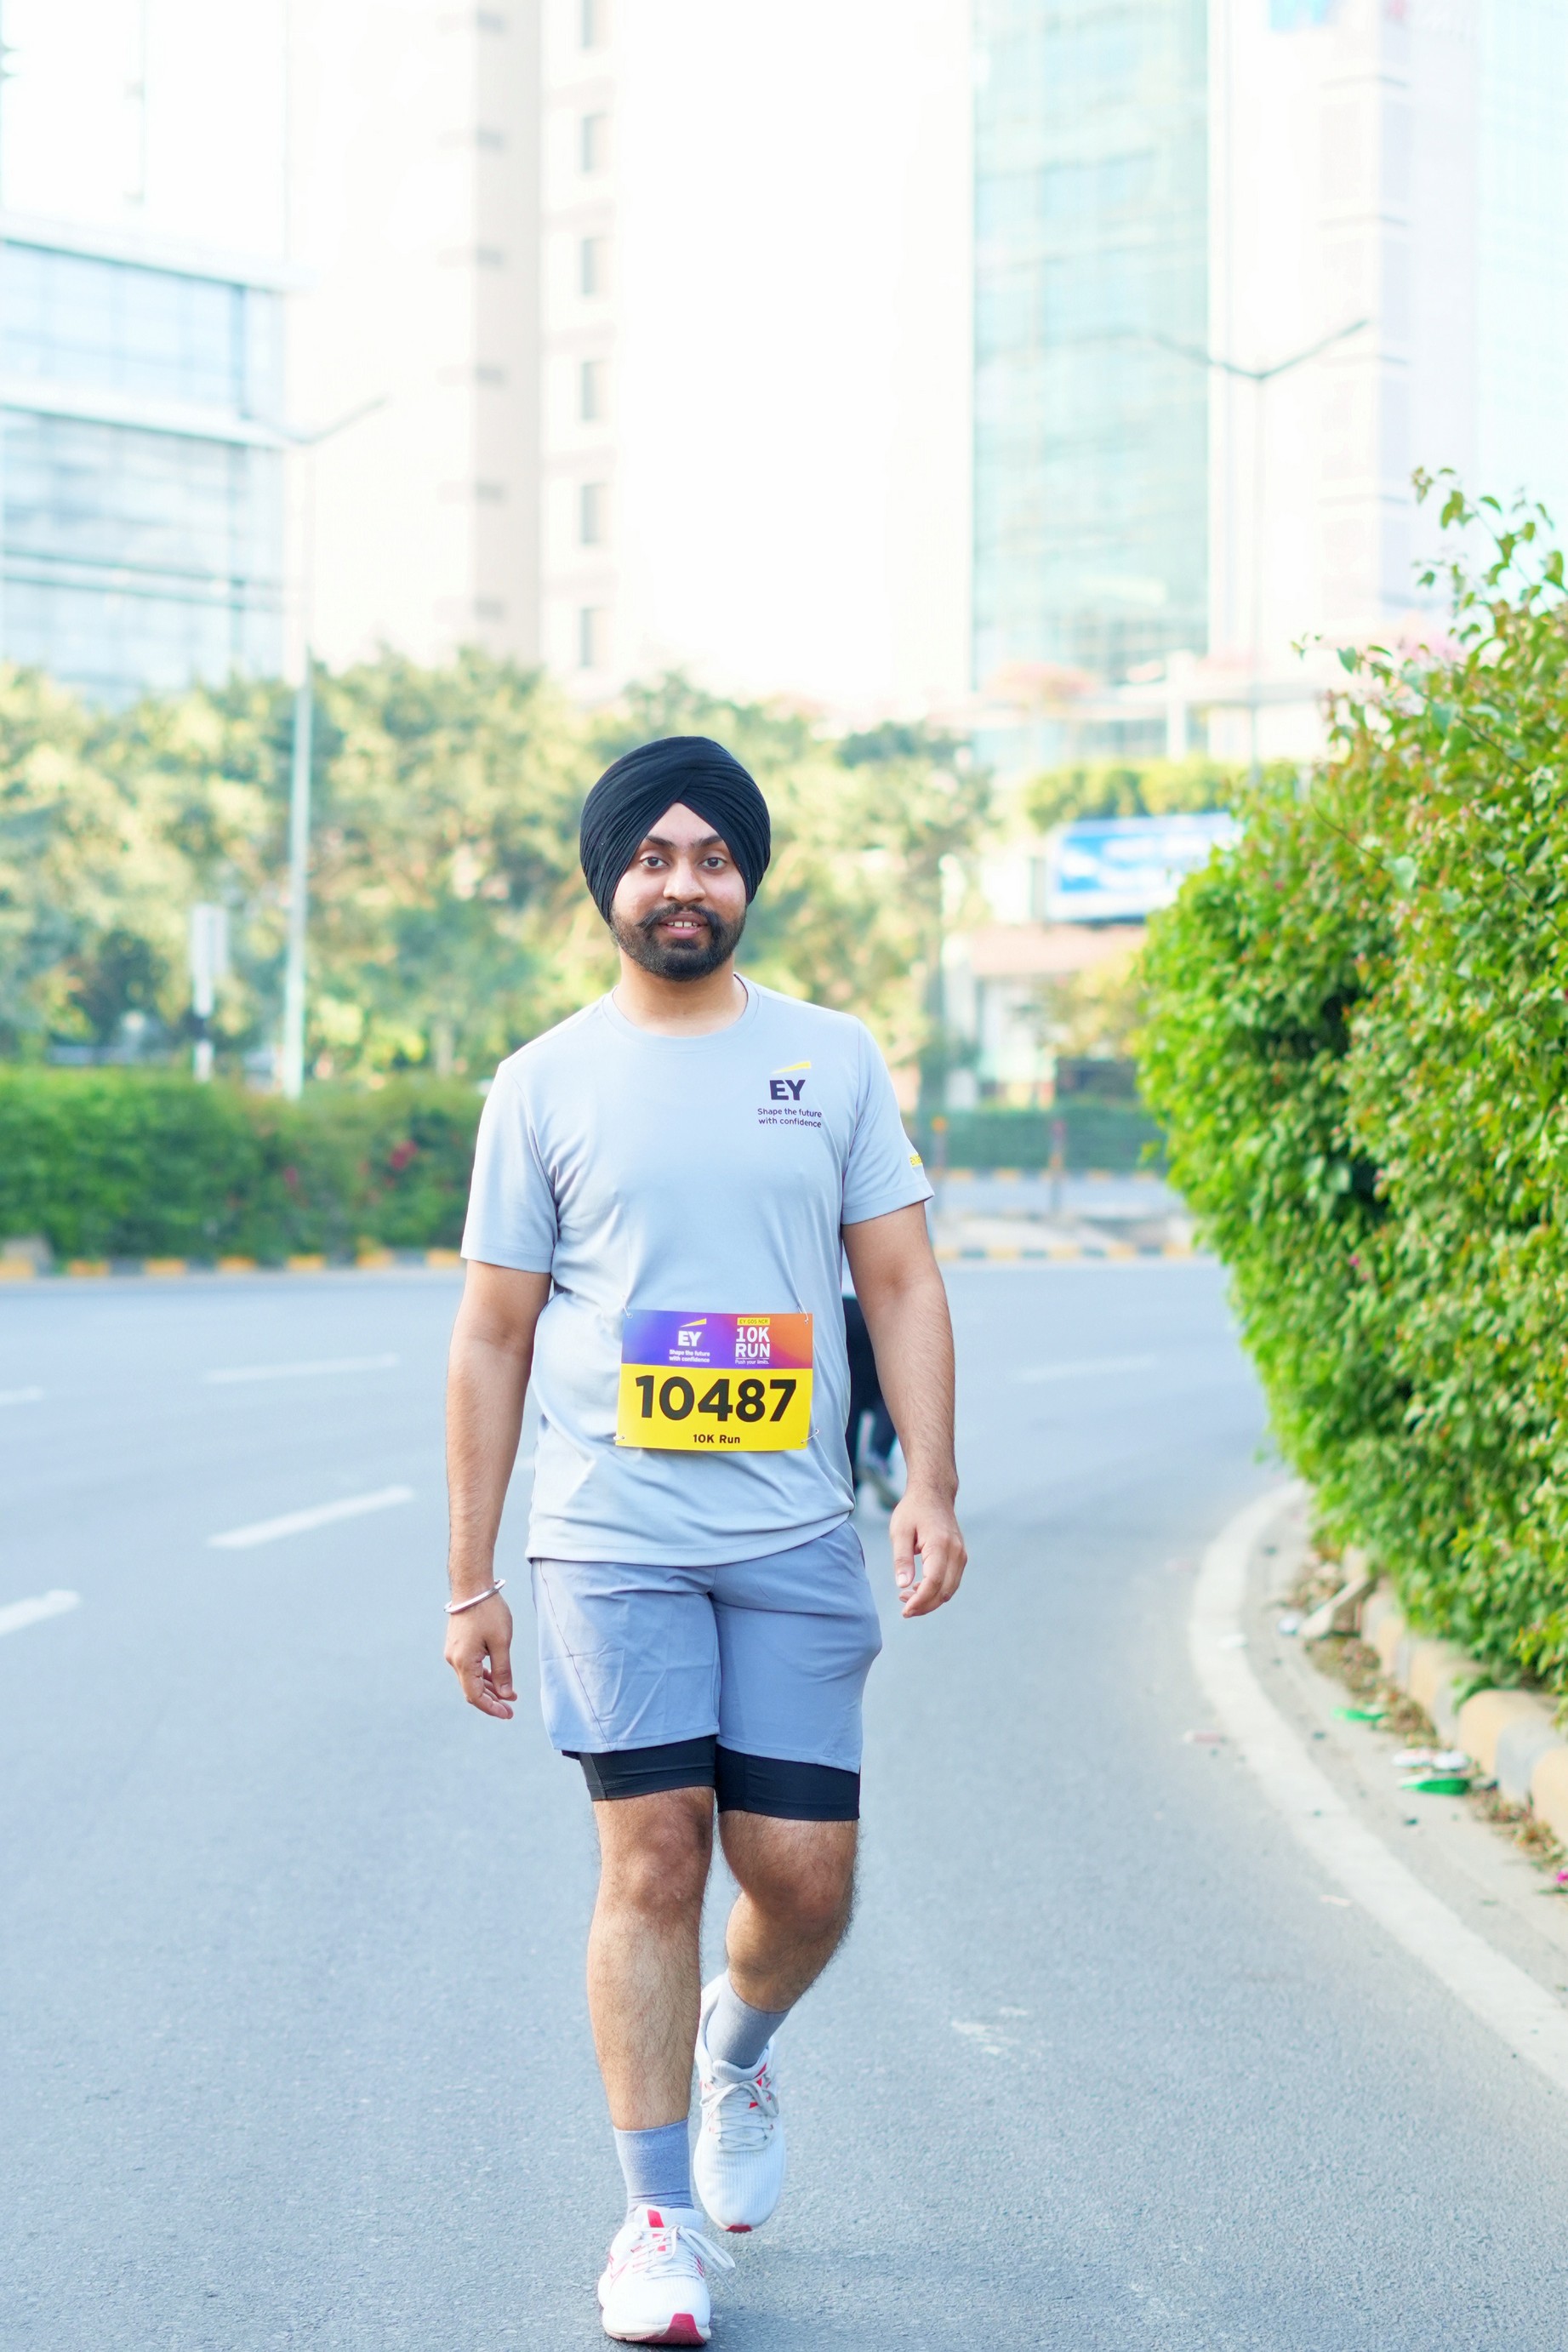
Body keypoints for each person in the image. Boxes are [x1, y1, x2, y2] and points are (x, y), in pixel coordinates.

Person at [443, 734, 967, 2346]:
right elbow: (492, 1336)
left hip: (795, 1531)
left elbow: (901, 1282)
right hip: (612, 1537)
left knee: (802, 1882)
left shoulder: (832, 1059)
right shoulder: (543, 1083)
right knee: (655, 1852)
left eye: (713, 856)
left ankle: (737, 2049)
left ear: (748, 879)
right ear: (608, 881)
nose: (684, 883)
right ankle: (653, 2218)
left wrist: (931, 1485)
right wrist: (470, 1577)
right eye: (654, 856)